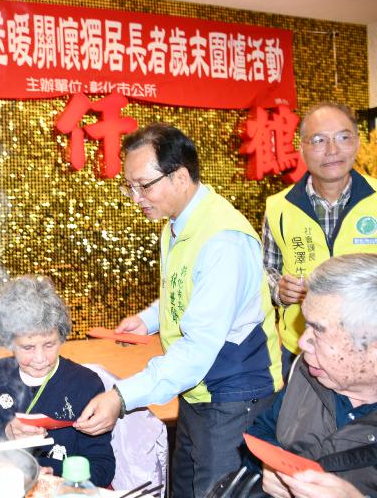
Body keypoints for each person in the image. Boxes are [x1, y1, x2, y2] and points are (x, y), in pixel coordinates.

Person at [74, 123, 283, 497]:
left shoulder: (223, 241)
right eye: (129, 186)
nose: (136, 197)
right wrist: (148, 320)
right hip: (197, 389)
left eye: (144, 185)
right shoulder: (177, 222)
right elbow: (185, 290)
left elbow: (198, 348)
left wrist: (121, 397)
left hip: (234, 396)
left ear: (181, 177)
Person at [246, 253, 377, 497]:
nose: (302, 342)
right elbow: (264, 429)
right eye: (305, 325)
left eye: (318, 330)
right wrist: (269, 465)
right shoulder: (306, 370)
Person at [262, 102, 377, 377]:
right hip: (303, 348)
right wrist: (279, 290)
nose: (332, 150)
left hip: (371, 347)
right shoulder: (278, 207)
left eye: (343, 137)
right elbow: (265, 270)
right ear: (302, 148)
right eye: (318, 140)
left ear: (357, 142)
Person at [0, 276, 115, 487]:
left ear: (62, 338)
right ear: (9, 342)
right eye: (28, 347)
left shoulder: (85, 384)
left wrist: (59, 477)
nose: (40, 358)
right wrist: (6, 433)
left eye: (49, 345)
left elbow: (103, 466)